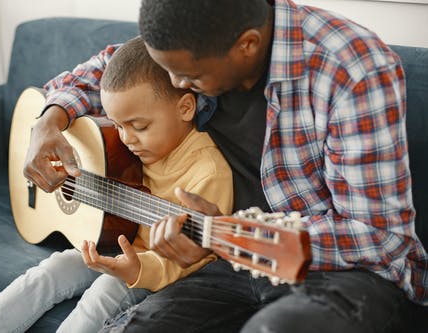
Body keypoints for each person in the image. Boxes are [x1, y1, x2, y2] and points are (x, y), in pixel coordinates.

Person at [23, 1, 428, 333]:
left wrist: (230, 236)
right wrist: (49, 120)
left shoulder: (351, 69)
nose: (175, 84)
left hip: (340, 273)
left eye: (189, 76)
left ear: (246, 45)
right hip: (223, 266)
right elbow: (103, 72)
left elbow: (378, 237)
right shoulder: (186, 36)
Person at [0, 36, 233, 332]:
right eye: (117, 125)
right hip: (109, 241)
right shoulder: (131, 142)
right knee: (51, 270)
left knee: (105, 289)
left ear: (185, 108)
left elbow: (196, 255)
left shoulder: (209, 172)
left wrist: (139, 269)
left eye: (139, 126)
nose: (126, 139)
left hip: (147, 264)